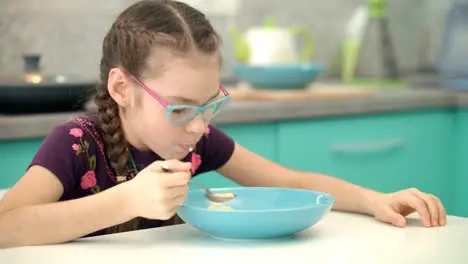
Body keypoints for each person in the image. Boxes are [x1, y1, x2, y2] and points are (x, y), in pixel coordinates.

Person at [0, 0, 446, 249]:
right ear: (122, 88)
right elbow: (7, 228)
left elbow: (288, 179)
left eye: (209, 104)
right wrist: (127, 200)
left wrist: (374, 199)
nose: (197, 126)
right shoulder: (76, 143)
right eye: (179, 108)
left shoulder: (195, 139)